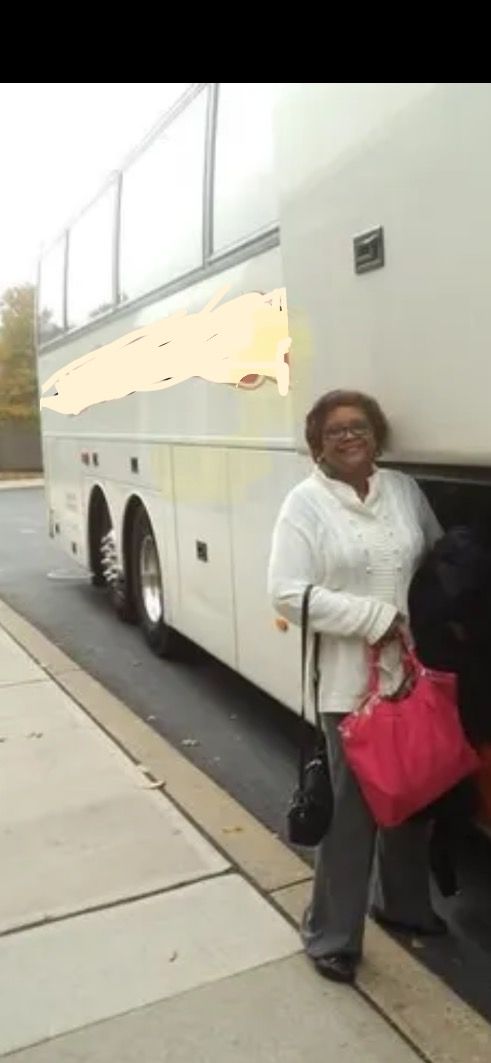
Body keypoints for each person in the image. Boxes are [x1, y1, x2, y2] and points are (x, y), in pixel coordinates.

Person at [267, 389, 443, 984]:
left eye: (360, 426)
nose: (350, 436)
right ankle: (331, 934)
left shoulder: (403, 492)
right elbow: (286, 592)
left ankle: (403, 905)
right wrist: (374, 618)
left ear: (377, 434)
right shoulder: (306, 503)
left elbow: (435, 562)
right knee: (354, 816)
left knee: (412, 797)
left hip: (409, 678)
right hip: (348, 686)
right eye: (335, 430)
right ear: (318, 442)